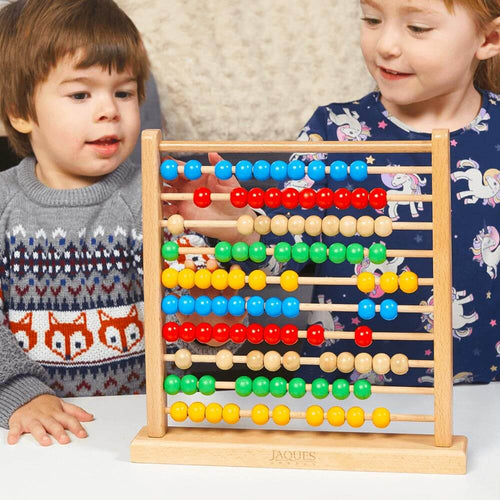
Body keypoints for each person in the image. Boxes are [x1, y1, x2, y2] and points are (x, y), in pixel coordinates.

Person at [167, 0, 500, 387]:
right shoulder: (333, 133)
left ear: (489, 38)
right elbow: (285, 246)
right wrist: (243, 227)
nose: (385, 45)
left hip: (487, 401)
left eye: (418, 28)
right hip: (349, 396)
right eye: (372, 20)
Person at [0, 0, 224, 446]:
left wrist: (222, 257)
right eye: (81, 94)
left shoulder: (161, 196)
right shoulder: (4, 204)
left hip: (146, 425)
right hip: (39, 436)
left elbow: (208, 346)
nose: (109, 110)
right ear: (20, 112)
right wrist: (19, 393)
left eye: (123, 92)